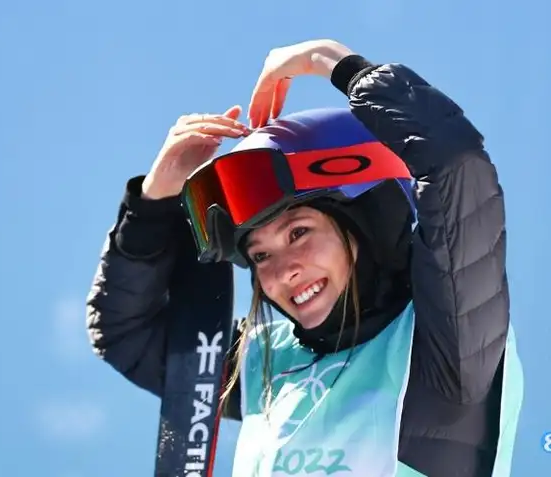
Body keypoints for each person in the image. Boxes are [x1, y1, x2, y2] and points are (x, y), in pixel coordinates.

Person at [86, 39, 524, 477]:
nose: (283, 271)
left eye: (298, 233)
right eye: (259, 255)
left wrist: (336, 63)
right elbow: (126, 331)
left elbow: (455, 166)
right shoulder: (265, 362)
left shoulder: (446, 340)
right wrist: (153, 203)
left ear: (368, 224)